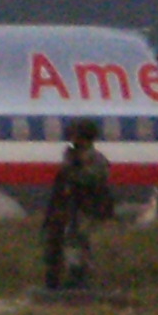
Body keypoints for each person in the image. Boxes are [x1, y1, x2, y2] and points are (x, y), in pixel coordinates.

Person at [42, 120, 111, 292]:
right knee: (61, 242)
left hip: (87, 206)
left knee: (79, 241)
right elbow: (63, 182)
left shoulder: (95, 159)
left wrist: (76, 168)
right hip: (70, 206)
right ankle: (59, 279)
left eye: (76, 136)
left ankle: (79, 277)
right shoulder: (73, 157)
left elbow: (93, 180)